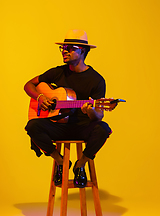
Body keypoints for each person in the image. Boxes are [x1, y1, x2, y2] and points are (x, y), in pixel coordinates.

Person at [24, 29, 114, 188]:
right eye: (63, 48)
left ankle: (80, 164)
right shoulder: (57, 72)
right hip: (58, 126)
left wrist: (90, 110)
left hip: (82, 127)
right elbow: (29, 85)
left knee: (103, 129)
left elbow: (98, 116)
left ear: (83, 51)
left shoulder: (96, 80)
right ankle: (60, 160)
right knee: (32, 126)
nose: (65, 51)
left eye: (70, 48)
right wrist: (40, 97)